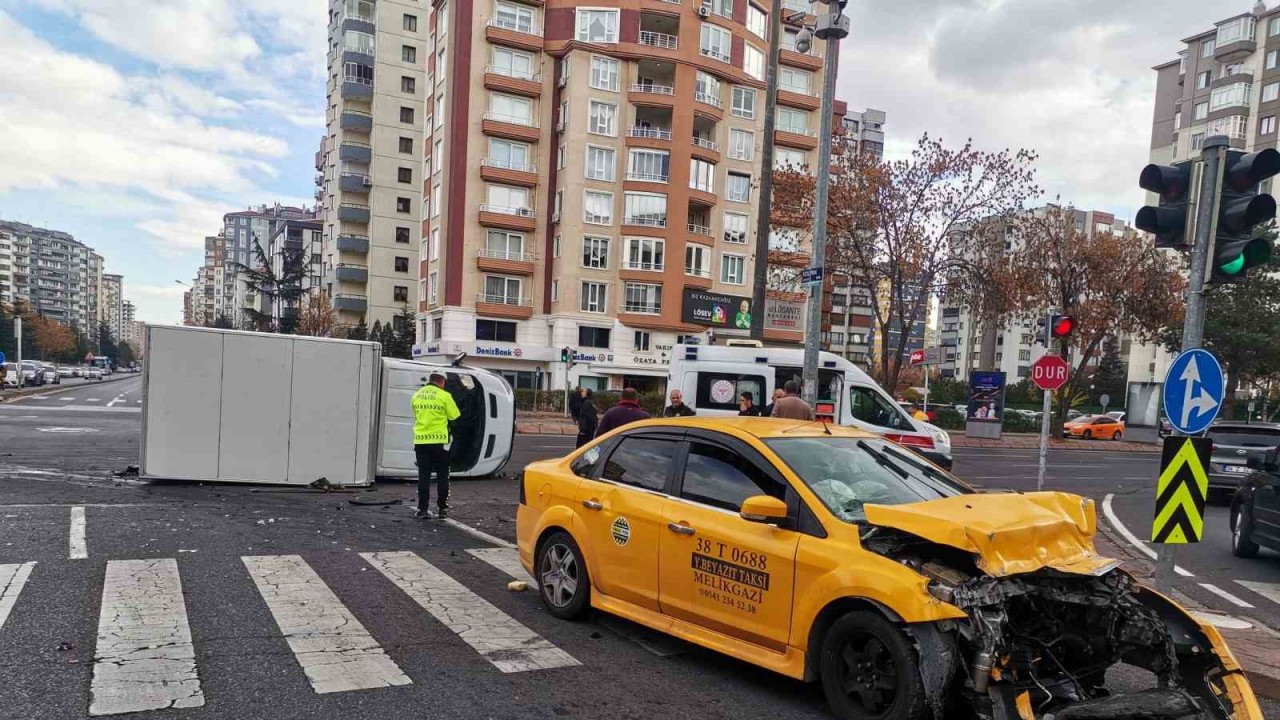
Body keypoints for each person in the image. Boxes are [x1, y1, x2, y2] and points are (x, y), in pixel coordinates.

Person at [412, 372, 461, 519]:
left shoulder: (417, 395)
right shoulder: (444, 396)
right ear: (442, 382)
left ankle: (422, 510)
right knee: (442, 476)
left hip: (420, 441)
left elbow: (417, 415)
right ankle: (442, 509)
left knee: (423, 476)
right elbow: (455, 417)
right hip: (439, 443)